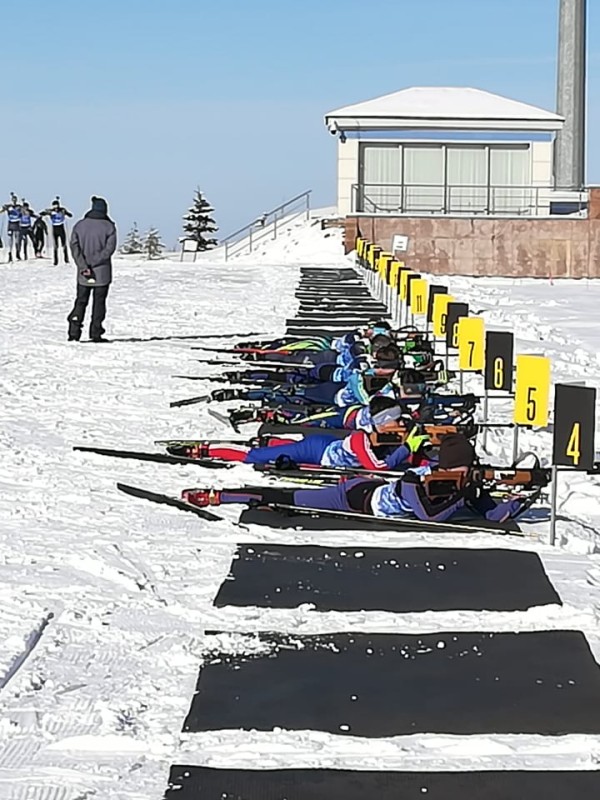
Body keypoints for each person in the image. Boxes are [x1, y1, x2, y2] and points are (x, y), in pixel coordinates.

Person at [182, 434, 526, 524]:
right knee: (284, 499)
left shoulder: (460, 483)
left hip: (364, 485)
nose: (467, 474)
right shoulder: (414, 478)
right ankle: (218, 495)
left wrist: (516, 502)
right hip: (353, 496)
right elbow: (430, 515)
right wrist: (460, 495)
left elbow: (491, 513)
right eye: (464, 469)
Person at [185, 399, 429, 471]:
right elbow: (377, 467)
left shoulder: (386, 433)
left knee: (282, 448)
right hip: (317, 452)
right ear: (382, 423)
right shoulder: (361, 438)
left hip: (329, 445)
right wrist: (408, 447)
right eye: (395, 419)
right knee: (255, 457)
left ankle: (273, 442)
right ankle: (208, 449)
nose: (400, 423)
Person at [67, 196, 117, 343]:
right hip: (101, 273)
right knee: (99, 303)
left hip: (84, 274)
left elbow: (74, 247)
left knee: (81, 301)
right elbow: (109, 250)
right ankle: (96, 333)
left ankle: (74, 331)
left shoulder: (79, 225)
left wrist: (84, 266)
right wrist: (94, 263)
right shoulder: (109, 227)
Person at [41, 197, 73, 265]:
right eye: (54, 206)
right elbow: (42, 213)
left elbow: (70, 215)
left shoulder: (62, 210)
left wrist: (66, 213)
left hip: (61, 227)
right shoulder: (51, 211)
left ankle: (66, 259)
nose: (56, 207)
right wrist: (46, 212)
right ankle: (55, 261)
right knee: (55, 246)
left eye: (57, 205)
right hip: (54, 228)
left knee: (64, 244)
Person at [0, 194, 21, 262]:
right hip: (10, 224)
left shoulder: (19, 207)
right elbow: (2, 210)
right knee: (10, 240)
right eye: (13, 200)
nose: (14, 201)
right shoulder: (8, 206)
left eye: (15, 200)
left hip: (17, 224)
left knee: (17, 240)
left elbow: (20, 213)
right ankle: (10, 253)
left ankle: (17, 252)